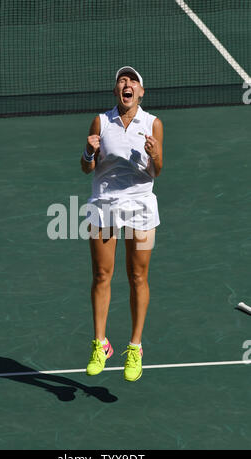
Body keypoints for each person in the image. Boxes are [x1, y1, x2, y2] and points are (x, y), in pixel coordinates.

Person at [80, 66, 163, 382]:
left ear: (141, 92)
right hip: (104, 208)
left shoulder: (153, 124)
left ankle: (135, 347)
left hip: (141, 209)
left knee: (138, 276)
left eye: (133, 81)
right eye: (121, 80)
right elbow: (87, 168)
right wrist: (89, 151)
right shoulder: (101, 122)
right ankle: (100, 344)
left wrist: (154, 155)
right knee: (102, 274)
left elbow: (157, 171)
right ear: (117, 91)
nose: (126, 83)